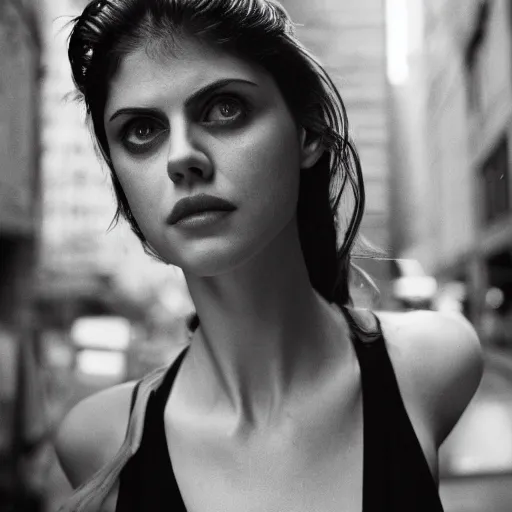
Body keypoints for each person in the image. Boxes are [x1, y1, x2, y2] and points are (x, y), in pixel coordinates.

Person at [55, 1, 483, 511]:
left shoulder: (433, 361)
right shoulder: (97, 440)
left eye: (224, 108)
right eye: (142, 131)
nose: (181, 158)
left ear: (307, 133)